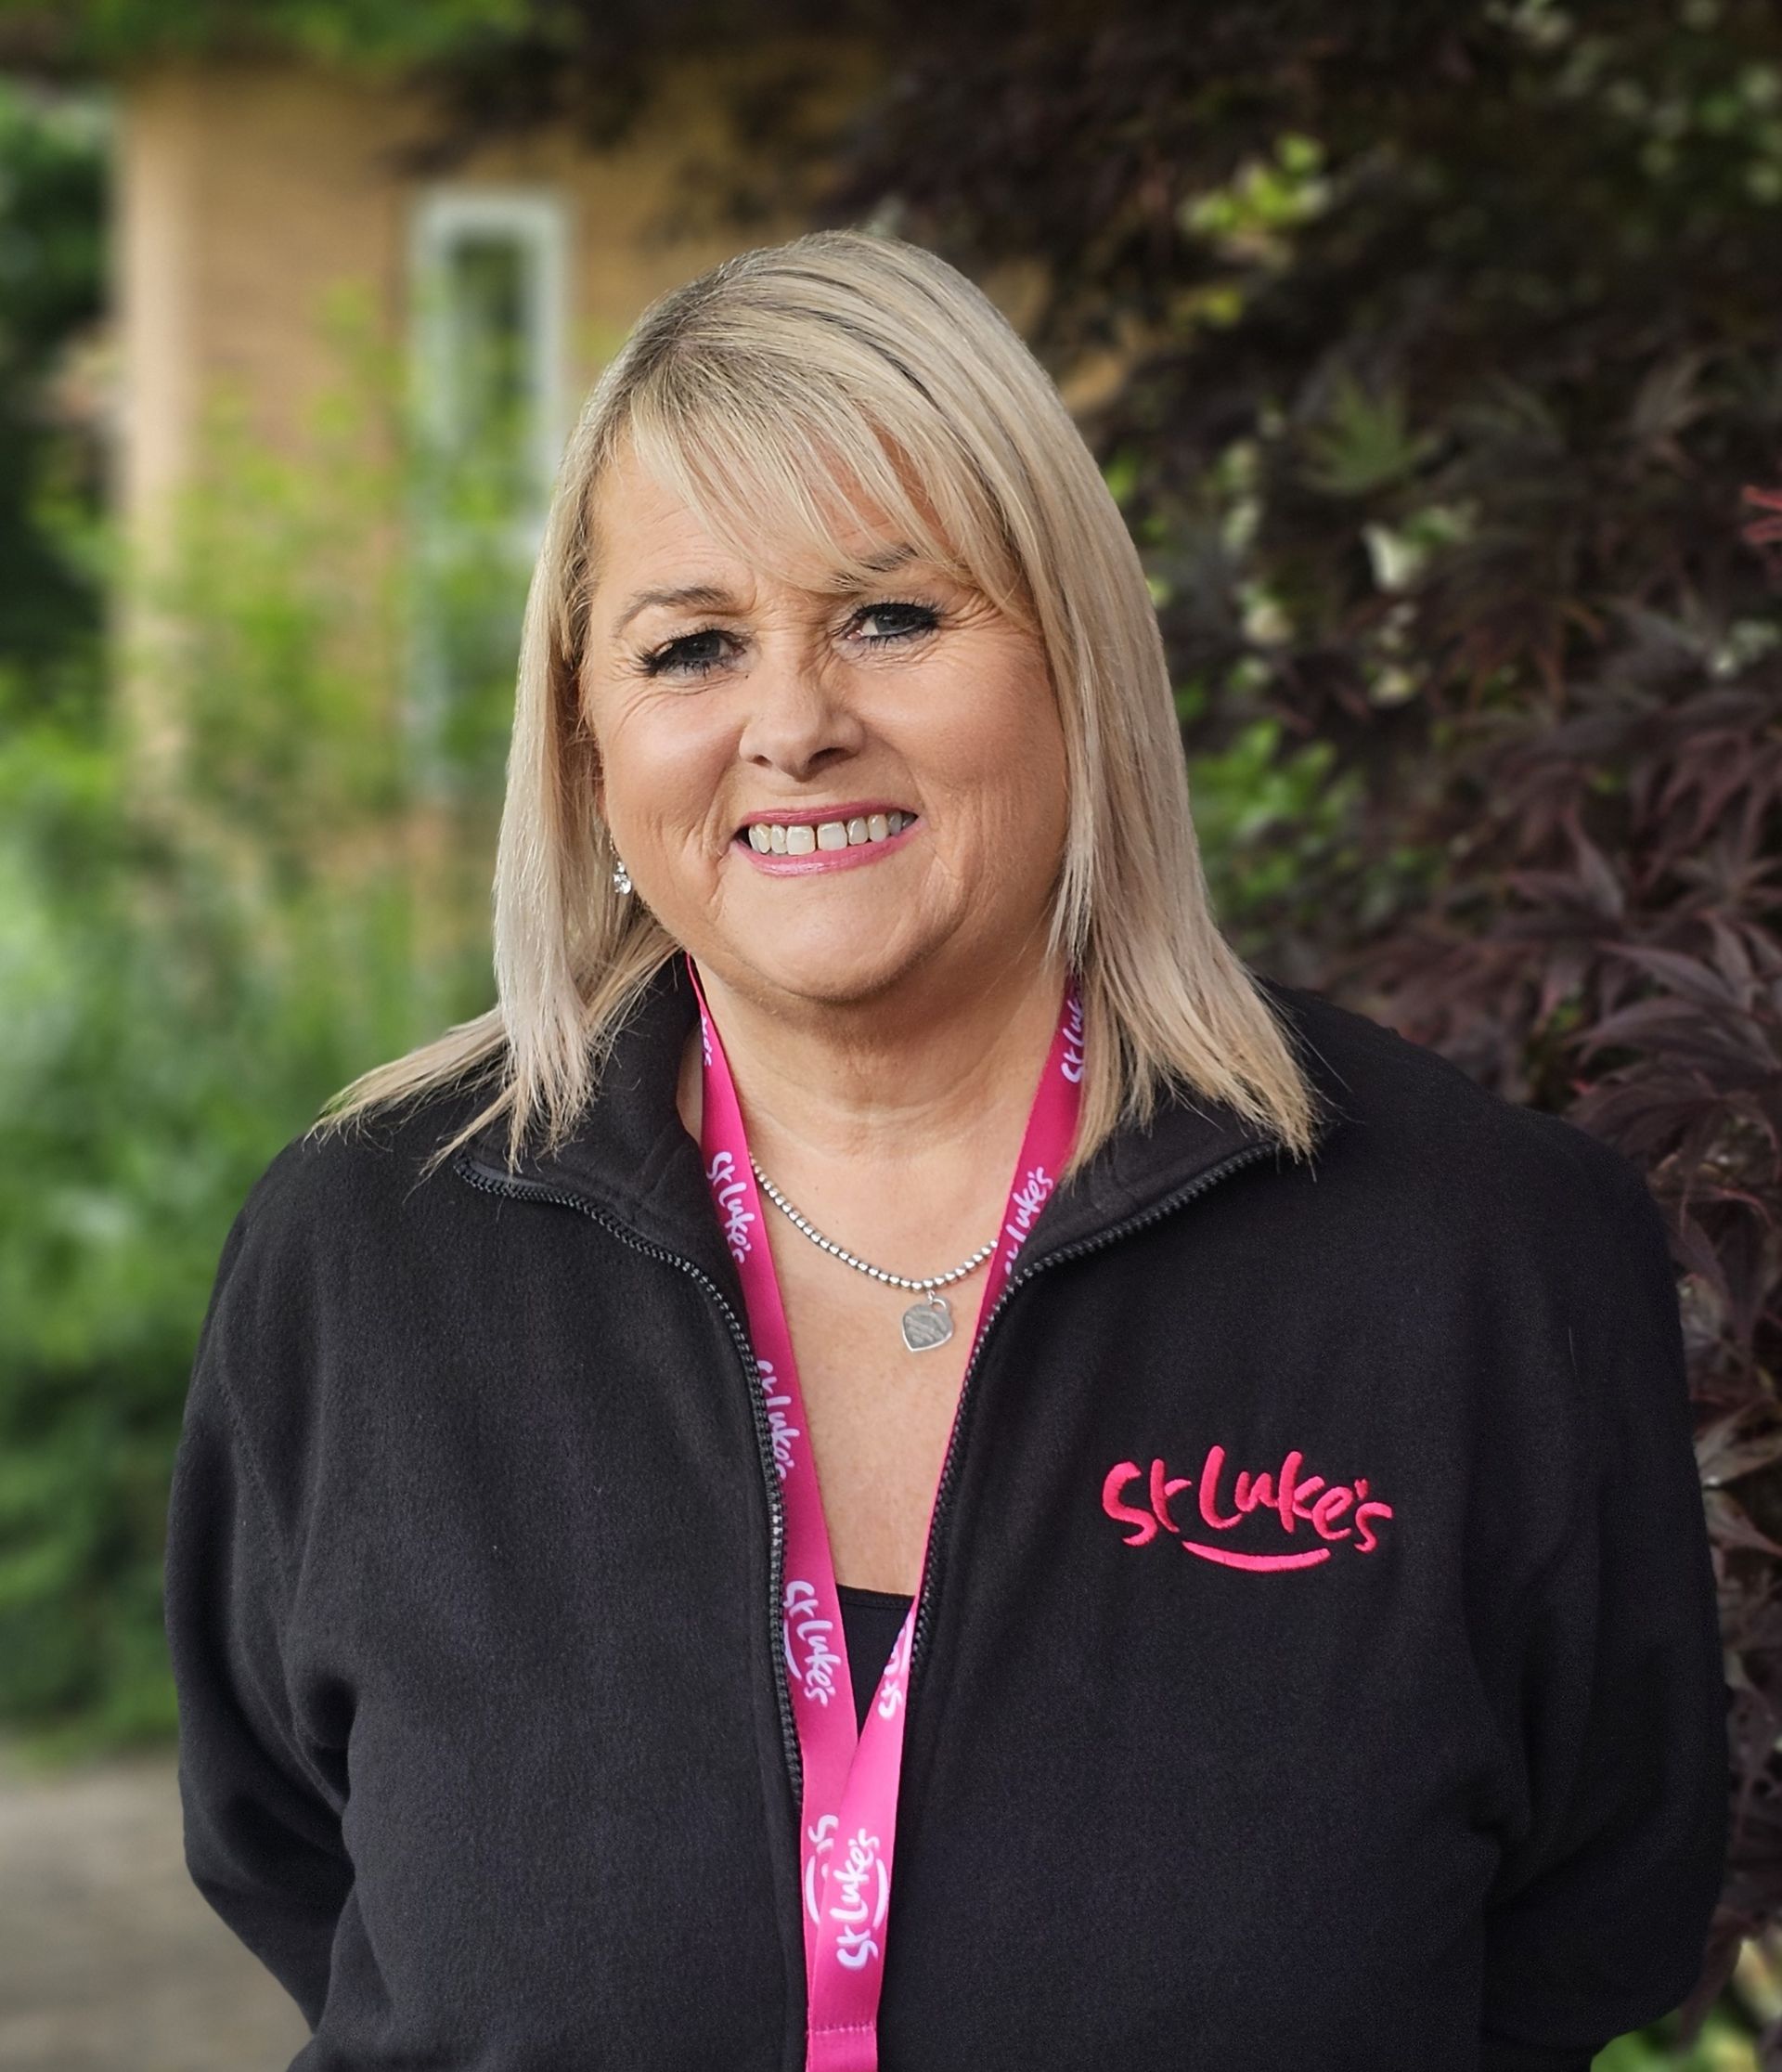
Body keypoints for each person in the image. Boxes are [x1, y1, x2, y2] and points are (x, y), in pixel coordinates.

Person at [161, 227, 1729, 2071]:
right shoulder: (371, 1251)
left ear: (1078, 667)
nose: (796, 723)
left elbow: (1599, 1916)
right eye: (694, 645)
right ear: (588, 742)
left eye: (892, 617)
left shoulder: (1479, 1255)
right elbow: (290, 1858)